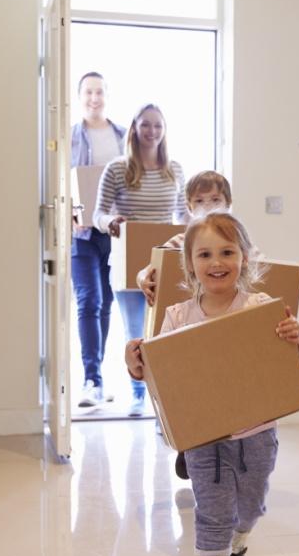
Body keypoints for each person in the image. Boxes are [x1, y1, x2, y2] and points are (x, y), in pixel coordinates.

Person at [124, 212, 299, 556]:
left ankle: (239, 542)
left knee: (250, 507)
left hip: (257, 433)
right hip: (204, 440)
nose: (216, 262)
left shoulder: (260, 306)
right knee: (212, 512)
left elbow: (283, 360)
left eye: (227, 252)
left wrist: (293, 337)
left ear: (244, 258)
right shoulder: (177, 316)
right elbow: (160, 377)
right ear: (190, 265)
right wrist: (136, 364)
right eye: (204, 255)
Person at [93, 103, 187, 417]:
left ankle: (164, 403)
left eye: (157, 125)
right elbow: (98, 213)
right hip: (129, 262)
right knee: (136, 332)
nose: (151, 131)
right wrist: (110, 223)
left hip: (167, 265)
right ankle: (137, 394)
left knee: (168, 333)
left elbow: (184, 216)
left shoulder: (174, 169)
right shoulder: (118, 169)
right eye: (145, 125)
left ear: (164, 130)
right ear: (134, 128)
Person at [70, 72, 126, 407]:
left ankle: (98, 375)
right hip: (82, 233)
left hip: (115, 232)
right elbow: (59, 176)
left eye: (99, 92)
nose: (94, 98)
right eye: (89, 92)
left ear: (107, 95)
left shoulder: (121, 136)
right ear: (80, 97)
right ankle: (91, 378)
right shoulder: (71, 136)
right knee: (87, 300)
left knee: (106, 302)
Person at [136, 170, 233, 306]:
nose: (207, 206)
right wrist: (142, 279)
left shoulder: (237, 240)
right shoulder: (181, 241)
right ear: (189, 207)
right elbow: (149, 269)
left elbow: (263, 266)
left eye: (215, 200)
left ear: (228, 203)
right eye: (199, 201)